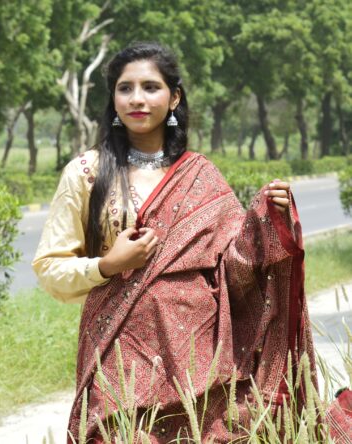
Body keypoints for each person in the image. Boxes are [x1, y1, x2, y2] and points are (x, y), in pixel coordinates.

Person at [32, 42, 317, 443]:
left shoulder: (202, 176)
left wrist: (264, 224)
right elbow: (50, 269)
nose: (137, 99)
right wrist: (107, 265)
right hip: (118, 354)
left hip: (200, 360)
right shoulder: (86, 173)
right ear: (112, 97)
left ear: (174, 97)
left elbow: (232, 274)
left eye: (150, 87)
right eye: (124, 88)